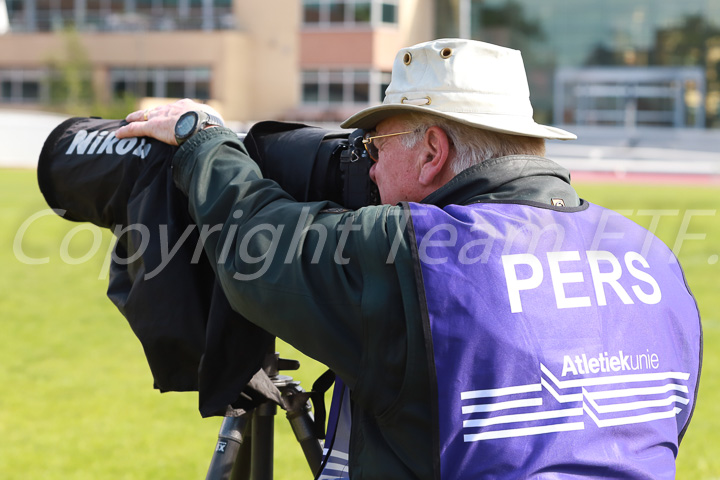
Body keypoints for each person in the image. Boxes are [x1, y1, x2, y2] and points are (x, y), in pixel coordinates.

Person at [115, 39, 701, 479]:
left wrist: (203, 140)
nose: (367, 168)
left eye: (376, 146)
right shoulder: (652, 257)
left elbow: (261, 246)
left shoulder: (426, 254)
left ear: (432, 153)